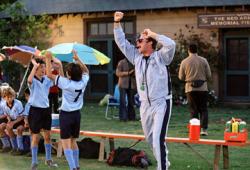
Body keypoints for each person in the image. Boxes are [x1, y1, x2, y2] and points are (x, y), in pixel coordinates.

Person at [114, 11, 176, 170]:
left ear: (150, 42)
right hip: (144, 105)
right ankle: (165, 161)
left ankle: (163, 167)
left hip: (161, 103)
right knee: (150, 139)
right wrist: (116, 23)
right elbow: (121, 42)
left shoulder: (161, 57)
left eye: (140, 40)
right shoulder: (136, 57)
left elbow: (171, 45)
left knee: (157, 139)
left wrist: (154, 34)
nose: (137, 43)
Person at [45, 50, 89, 170]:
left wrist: (48, 59)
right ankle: (77, 166)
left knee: (65, 143)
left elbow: (49, 75)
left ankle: (72, 167)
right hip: (76, 115)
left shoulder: (66, 83)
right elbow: (86, 71)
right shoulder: (82, 82)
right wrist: (77, 58)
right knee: (73, 141)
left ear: (69, 75)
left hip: (66, 115)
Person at [27, 58, 62, 170]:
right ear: (36, 69)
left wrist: (53, 64)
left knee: (48, 136)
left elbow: (57, 78)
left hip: (46, 110)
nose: (43, 69)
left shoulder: (47, 79)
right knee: (35, 138)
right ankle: (34, 162)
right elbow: (29, 79)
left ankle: (48, 160)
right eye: (40, 68)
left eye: (43, 67)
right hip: (35, 111)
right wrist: (34, 66)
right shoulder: (33, 81)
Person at [178, 43, 211, 136]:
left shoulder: (184, 61)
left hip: (190, 88)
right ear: (197, 50)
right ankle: (204, 130)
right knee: (203, 109)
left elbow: (180, 77)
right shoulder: (203, 60)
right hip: (203, 88)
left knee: (193, 109)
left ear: (188, 50)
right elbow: (209, 75)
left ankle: (194, 130)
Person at [2, 86, 25, 155]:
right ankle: (14, 147)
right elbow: (7, 115)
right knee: (8, 127)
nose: (10, 98)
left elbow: (22, 116)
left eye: (11, 96)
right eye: (8, 97)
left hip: (20, 120)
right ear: (4, 97)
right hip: (12, 120)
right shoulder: (4, 105)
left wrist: (13, 122)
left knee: (19, 129)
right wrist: (9, 121)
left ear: (14, 96)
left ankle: (20, 149)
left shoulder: (18, 103)